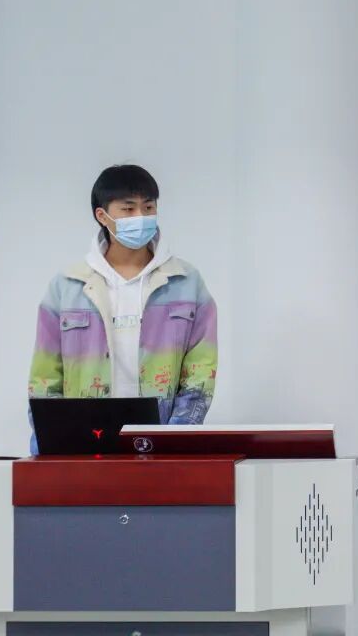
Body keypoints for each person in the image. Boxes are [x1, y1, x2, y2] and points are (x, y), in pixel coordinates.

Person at [27, 165, 217, 452]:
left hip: (161, 440)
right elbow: (44, 378)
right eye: (128, 209)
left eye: (148, 207)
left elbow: (200, 373)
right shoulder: (68, 285)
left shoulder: (186, 282)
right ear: (102, 216)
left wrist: (175, 438)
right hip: (82, 441)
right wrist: (55, 440)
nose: (140, 216)